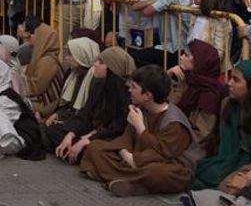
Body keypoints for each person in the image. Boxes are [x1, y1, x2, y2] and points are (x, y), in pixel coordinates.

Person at [80, 65, 203, 196]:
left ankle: (119, 178)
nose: (129, 90)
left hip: (169, 164)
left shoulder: (175, 123)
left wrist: (140, 128)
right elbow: (126, 138)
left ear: (147, 95)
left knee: (159, 173)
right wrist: (125, 153)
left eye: (134, 87)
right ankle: (134, 183)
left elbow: (162, 153)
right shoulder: (142, 108)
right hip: (136, 158)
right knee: (95, 148)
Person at [191, 60, 251, 191]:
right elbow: (220, 140)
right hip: (224, 160)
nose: (229, 83)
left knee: (227, 186)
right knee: (204, 171)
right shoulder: (227, 104)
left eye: (236, 80)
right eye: (230, 78)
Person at [49, 47, 135, 162]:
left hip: (108, 137)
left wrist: (88, 139)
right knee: (54, 131)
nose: (95, 64)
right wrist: (71, 134)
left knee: (95, 149)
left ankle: (80, 154)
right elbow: (85, 114)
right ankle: (76, 153)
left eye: (100, 62)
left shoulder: (127, 95)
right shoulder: (99, 85)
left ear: (112, 69)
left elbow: (116, 129)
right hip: (92, 131)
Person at [166, 39, 227, 151]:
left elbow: (201, 134)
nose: (181, 57)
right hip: (175, 134)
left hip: (193, 147)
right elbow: (167, 104)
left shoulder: (210, 93)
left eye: (186, 55)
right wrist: (168, 75)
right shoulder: (189, 79)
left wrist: (172, 140)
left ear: (200, 61)